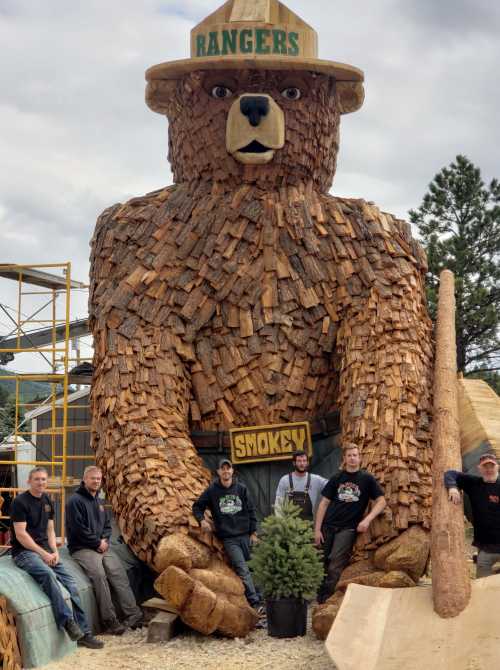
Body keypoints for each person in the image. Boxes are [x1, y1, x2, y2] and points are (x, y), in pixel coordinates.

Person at [10, 467, 103, 649]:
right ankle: (67, 621)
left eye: (44, 479)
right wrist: (43, 554)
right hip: (25, 553)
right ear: (29, 481)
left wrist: (55, 551)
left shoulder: (46, 500)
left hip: (46, 551)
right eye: (37, 479)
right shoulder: (20, 502)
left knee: (72, 584)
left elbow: (50, 530)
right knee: (47, 575)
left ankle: (84, 633)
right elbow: (21, 535)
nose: (41, 483)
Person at [66, 466, 143, 634]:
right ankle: (110, 620)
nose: (96, 481)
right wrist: (96, 543)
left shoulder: (98, 501)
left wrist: (105, 541)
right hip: (82, 548)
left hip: (102, 546)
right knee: (99, 576)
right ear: (85, 479)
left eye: (98, 479)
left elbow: (107, 526)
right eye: (93, 478)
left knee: (118, 572)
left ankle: (133, 614)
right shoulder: (75, 501)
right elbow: (78, 529)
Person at [314, 443, 386, 603]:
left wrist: (367, 520)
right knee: (322, 561)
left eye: (355, 455)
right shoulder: (336, 478)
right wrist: (317, 530)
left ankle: (329, 599)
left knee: (335, 563)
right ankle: (320, 598)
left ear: (359, 458)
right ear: (344, 459)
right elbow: (323, 504)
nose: (352, 458)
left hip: (347, 529)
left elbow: (381, 502)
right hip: (328, 526)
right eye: (349, 455)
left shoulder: (367, 479)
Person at [192, 458, 262, 613]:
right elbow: (197, 507)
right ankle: (255, 603)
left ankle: (262, 599)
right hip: (229, 539)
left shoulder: (241, 489)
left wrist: (253, 532)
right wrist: (202, 520)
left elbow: (251, 510)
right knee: (242, 569)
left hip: (246, 535)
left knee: (255, 567)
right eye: (222, 469)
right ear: (218, 472)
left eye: (228, 468)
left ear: (232, 471)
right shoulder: (212, 491)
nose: (225, 471)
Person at [445, 452, 500, 577]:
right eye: (485, 467)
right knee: (483, 585)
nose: (489, 469)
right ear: (479, 469)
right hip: (486, 549)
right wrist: (452, 487)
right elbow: (450, 474)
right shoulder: (474, 483)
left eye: (492, 466)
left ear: (497, 467)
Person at [274, 450, 328, 521]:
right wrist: (282, 524)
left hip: (310, 526)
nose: (302, 464)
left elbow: (332, 485)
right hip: (289, 526)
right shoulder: (284, 480)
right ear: (294, 463)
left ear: (307, 463)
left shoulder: (316, 480)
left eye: (304, 461)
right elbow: (278, 504)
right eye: (299, 461)